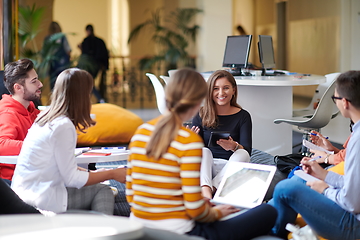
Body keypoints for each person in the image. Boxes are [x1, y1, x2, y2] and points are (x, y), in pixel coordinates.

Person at [126, 68, 276, 240]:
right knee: (268, 211)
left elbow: (130, 194)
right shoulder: (189, 140)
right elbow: (196, 210)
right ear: (199, 101)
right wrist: (216, 213)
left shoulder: (140, 131)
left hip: (139, 227)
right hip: (182, 231)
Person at [11, 68, 126, 215]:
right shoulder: (63, 126)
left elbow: (62, 166)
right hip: (41, 198)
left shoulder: (45, 117)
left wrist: (97, 173)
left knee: (97, 186)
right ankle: (103, 235)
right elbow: (71, 178)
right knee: (103, 191)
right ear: (82, 96)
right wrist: (112, 174)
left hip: (25, 192)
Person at [270, 70, 360, 240]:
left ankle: (270, 232)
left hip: (352, 224)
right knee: (299, 179)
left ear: (345, 103)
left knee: (285, 188)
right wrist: (323, 174)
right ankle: (264, 215)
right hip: (352, 214)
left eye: (335, 99)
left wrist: (325, 189)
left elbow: (352, 202)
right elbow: (354, 184)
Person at [191, 70, 252, 199]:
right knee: (204, 151)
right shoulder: (200, 114)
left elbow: (247, 151)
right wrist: (190, 141)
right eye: (216, 89)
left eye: (226, 88)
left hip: (230, 167)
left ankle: (211, 188)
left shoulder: (243, 116)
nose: (221, 93)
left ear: (233, 90)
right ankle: (207, 192)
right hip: (207, 168)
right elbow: (195, 155)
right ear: (210, 92)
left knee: (243, 153)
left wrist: (234, 146)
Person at [0, 59, 42, 181]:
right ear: (18, 87)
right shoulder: (8, 113)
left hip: (35, 177)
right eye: (34, 81)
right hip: (15, 183)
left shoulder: (31, 111)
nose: (40, 84)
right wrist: (40, 146)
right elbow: (1, 144)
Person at [77, 24, 109, 103]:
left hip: (88, 67)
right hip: (96, 67)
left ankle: (99, 99)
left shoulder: (86, 41)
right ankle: (97, 99)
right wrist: (105, 66)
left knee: (88, 83)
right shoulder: (100, 41)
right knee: (89, 83)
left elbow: (85, 54)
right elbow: (105, 55)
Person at [42, 21, 71, 91]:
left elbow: (44, 53)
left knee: (53, 84)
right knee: (63, 83)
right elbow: (68, 50)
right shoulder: (62, 37)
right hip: (63, 65)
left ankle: (55, 99)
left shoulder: (47, 39)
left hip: (52, 65)